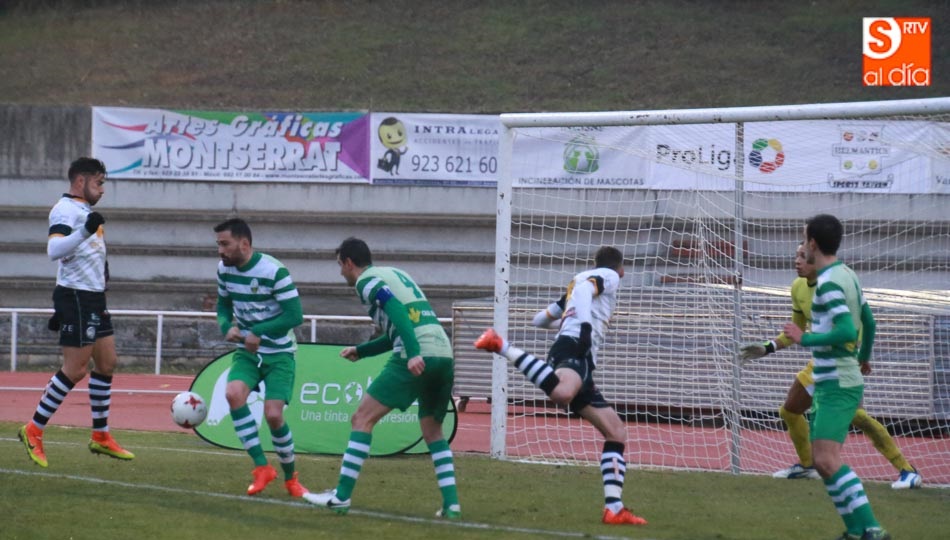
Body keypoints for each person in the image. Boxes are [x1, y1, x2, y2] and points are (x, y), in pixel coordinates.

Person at [474, 246, 647, 526]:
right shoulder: (608, 276)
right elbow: (585, 293)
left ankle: (614, 509)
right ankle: (500, 344)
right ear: (621, 268)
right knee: (563, 393)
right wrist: (586, 329)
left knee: (616, 431)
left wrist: (569, 319)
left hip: (579, 355)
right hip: (576, 346)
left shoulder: (575, 282)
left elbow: (540, 320)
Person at [304, 237, 461, 519]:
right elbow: (403, 327)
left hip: (417, 354)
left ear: (349, 263)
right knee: (433, 431)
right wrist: (362, 351)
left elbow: (397, 312)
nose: (340, 273)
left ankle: (340, 497)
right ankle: (452, 506)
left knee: (362, 419)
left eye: (340, 266)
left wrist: (413, 353)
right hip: (443, 352)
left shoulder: (366, 281)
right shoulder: (396, 273)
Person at [741, 244, 921, 489]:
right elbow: (795, 332)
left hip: (844, 361)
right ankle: (807, 466)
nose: (797, 261)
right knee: (790, 410)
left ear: (816, 259)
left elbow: (866, 322)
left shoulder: (836, 283)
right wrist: (768, 347)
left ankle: (907, 470)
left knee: (857, 417)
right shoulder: (798, 288)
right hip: (820, 363)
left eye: (803, 257)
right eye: (795, 256)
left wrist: (863, 356)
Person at [18, 157, 135, 468]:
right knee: (75, 369)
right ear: (80, 181)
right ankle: (33, 429)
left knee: (108, 362)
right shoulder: (66, 210)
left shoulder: (85, 213)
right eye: (98, 183)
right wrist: (84, 231)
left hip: (93, 298)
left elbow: (90, 259)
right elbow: (54, 251)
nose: (103, 189)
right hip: (76, 297)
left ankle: (101, 436)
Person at [782, 214, 889, 540]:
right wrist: (864, 358)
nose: (802, 247)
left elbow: (845, 329)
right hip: (838, 379)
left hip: (837, 382)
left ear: (813, 243)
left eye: (804, 240)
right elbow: (868, 323)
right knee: (823, 461)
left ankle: (872, 529)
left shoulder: (828, 284)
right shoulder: (847, 275)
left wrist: (805, 338)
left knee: (827, 460)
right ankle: (856, 531)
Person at [214, 218, 308, 498]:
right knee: (233, 395)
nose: (220, 251)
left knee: (274, 416)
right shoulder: (224, 270)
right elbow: (222, 303)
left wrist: (258, 331)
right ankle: (261, 468)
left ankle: (292, 478)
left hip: (279, 353)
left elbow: (295, 316)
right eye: (218, 244)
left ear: (244, 244)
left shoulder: (274, 271)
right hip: (247, 352)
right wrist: (225, 326)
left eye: (224, 244)